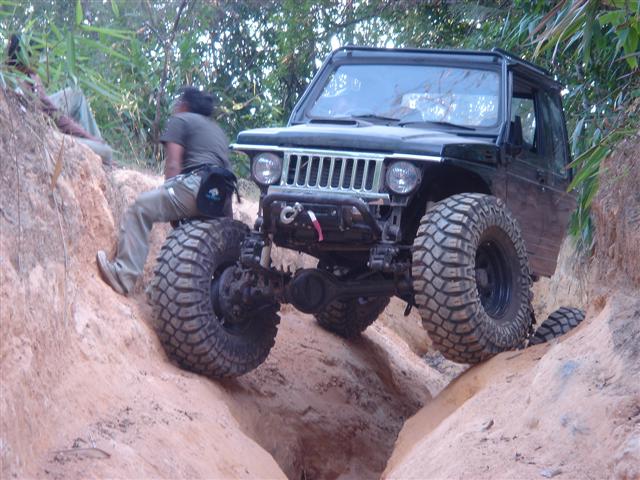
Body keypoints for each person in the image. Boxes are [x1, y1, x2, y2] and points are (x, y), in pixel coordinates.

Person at [96, 87, 233, 295]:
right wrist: (227, 223)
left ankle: (123, 276)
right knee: (190, 241)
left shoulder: (180, 120)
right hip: (219, 197)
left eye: (178, 102)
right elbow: (225, 174)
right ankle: (158, 292)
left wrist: (170, 197)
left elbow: (173, 165)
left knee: (141, 208)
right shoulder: (218, 131)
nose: (175, 106)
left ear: (184, 105)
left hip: (195, 186)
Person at [5, 33, 113, 166]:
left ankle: (97, 145)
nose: (39, 60)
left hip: (47, 129)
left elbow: (52, 113)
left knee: (75, 93)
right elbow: (54, 120)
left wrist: (86, 136)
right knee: (106, 152)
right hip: (46, 137)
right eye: (36, 56)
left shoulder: (29, 78)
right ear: (25, 56)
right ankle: (105, 161)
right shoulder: (18, 86)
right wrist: (87, 138)